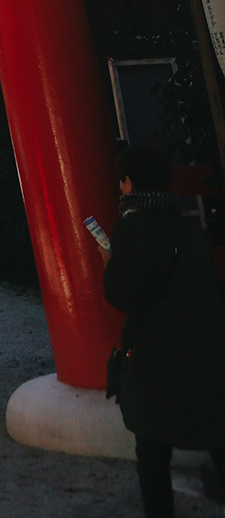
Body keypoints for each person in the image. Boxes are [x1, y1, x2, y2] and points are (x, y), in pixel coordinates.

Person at [101, 143, 225, 518]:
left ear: (129, 183)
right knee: (215, 431)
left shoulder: (129, 229)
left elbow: (122, 294)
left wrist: (109, 263)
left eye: (121, 180)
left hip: (154, 357)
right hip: (203, 350)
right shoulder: (184, 225)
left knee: (152, 452)